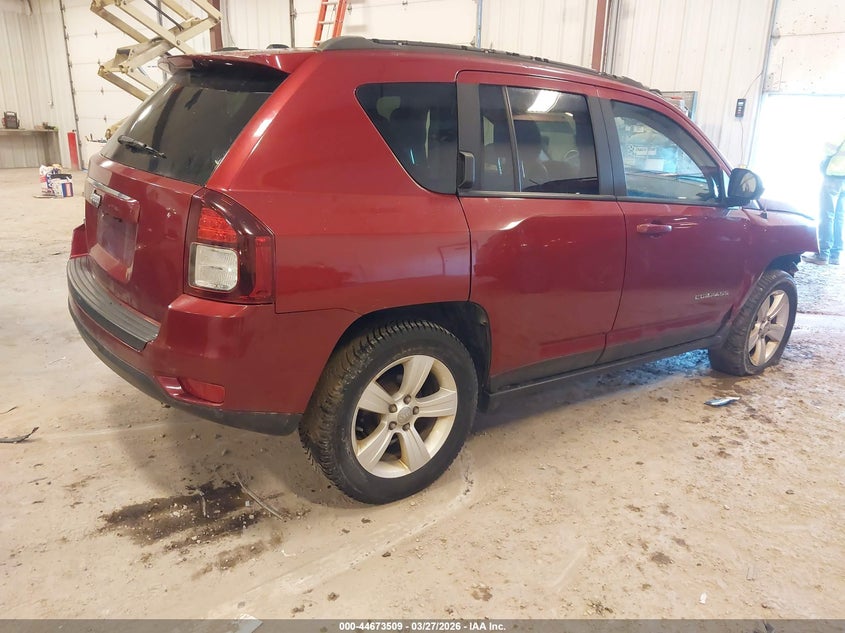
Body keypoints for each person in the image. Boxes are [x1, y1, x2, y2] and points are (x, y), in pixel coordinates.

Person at [803, 138, 845, 265]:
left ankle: (822, 254)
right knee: (839, 216)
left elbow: (830, 148)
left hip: (834, 174)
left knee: (827, 215)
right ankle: (835, 255)